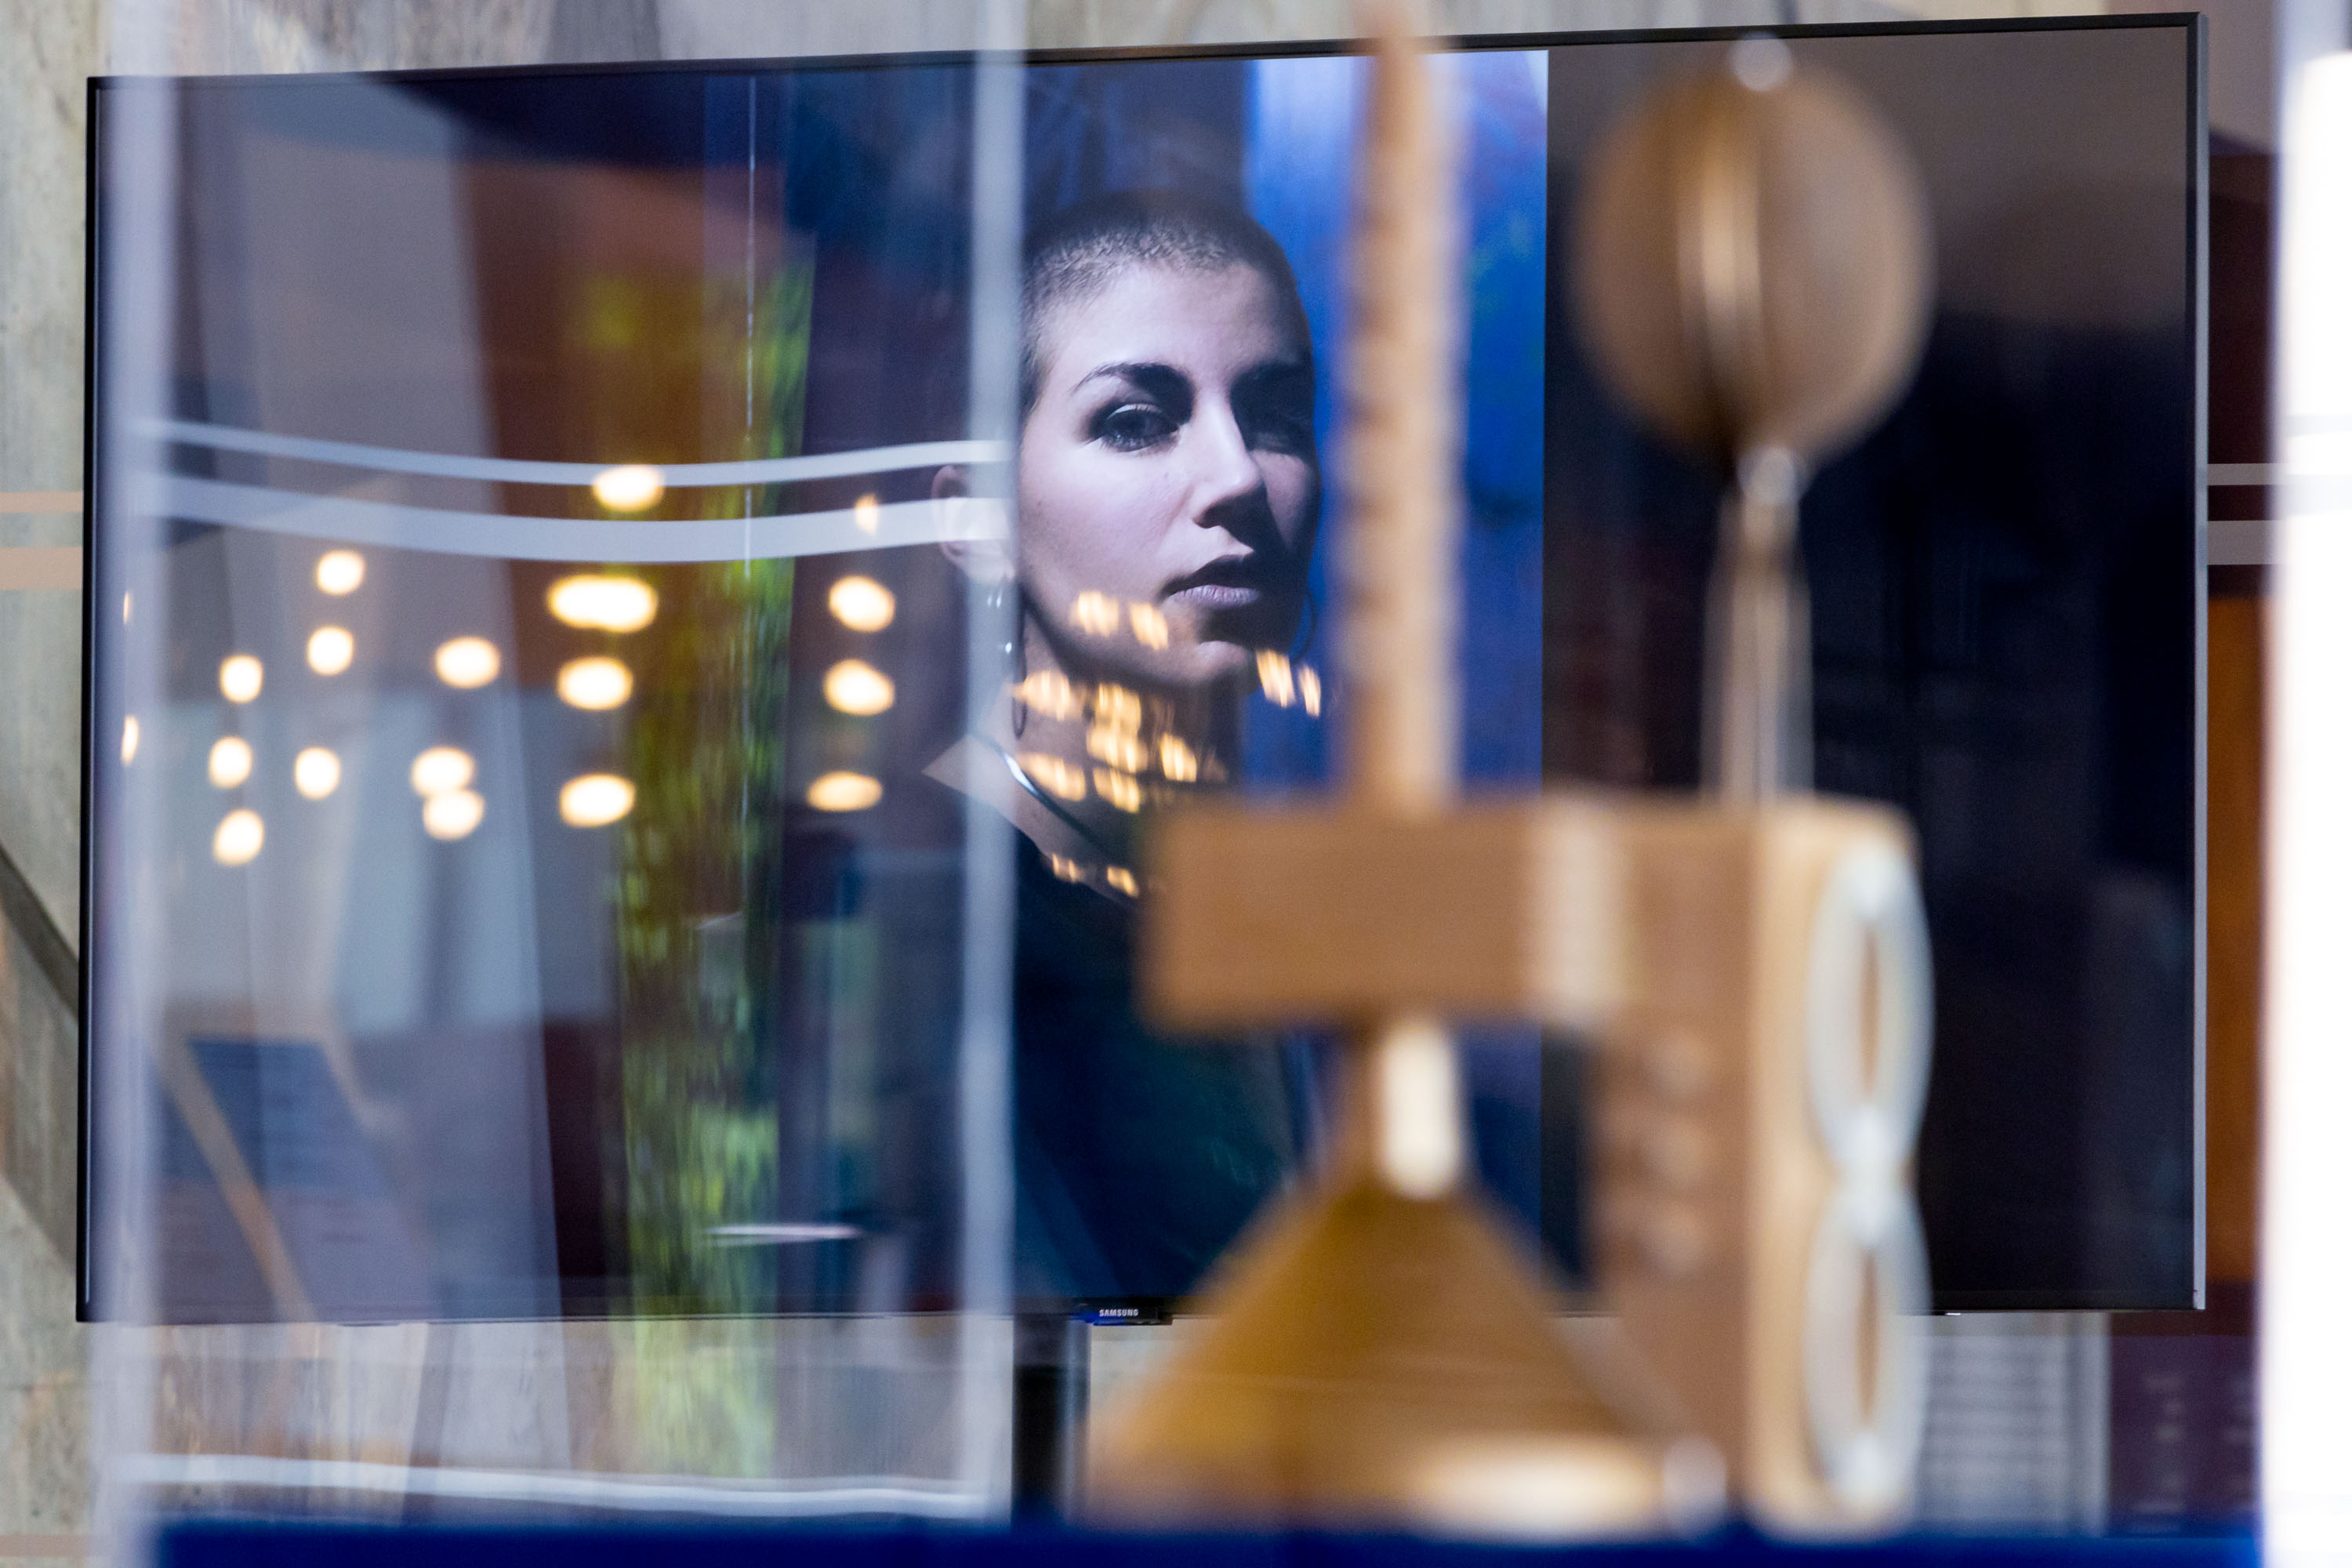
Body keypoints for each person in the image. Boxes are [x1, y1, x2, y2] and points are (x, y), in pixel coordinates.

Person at [931, 190, 1323, 1301]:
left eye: (1277, 418)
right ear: (979, 518)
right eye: (1137, 422)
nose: (1237, 478)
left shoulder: (1263, 923)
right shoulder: (924, 913)